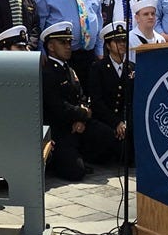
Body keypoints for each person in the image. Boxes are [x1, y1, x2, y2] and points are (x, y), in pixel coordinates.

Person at [40, 22, 118, 181]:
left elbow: (82, 96)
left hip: (77, 123)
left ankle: (85, 156)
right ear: (51, 46)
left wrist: (82, 118)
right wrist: (81, 114)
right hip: (61, 128)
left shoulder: (69, 69)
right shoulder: (47, 72)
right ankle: (57, 162)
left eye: (69, 42)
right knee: (75, 172)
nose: (68, 46)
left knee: (108, 135)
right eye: (63, 42)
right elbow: (56, 106)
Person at [35, 0, 104, 87]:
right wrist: (40, 51)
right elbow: (39, 23)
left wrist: (99, 49)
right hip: (61, 56)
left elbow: (98, 19)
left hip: (89, 55)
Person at [87, 22, 135, 165]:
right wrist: (116, 123)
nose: (122, 44)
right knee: (108, 138)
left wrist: (126, 122)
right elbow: (97, 101)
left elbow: (133, 100)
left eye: (124, 40)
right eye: (117, 41)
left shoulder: (132, 68)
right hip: (106, 120)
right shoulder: (98, 68)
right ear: (108, 45)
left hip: (125, 120)